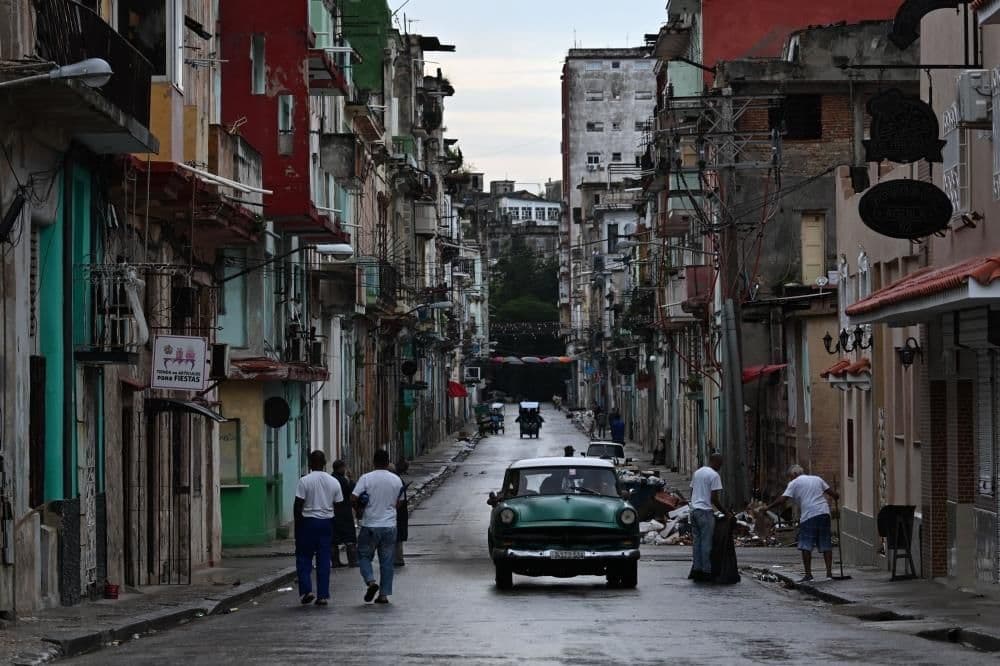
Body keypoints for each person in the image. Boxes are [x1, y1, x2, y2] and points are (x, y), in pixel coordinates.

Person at [767, 464, 840, 582]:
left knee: (806, 545)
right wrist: (836, 496)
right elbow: (833, 494)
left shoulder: (794, 483)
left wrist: (767, 508)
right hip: (824, 512)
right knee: (826, 543)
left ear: (794, 475)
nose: (790, 479)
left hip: (809, 515)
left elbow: (783, 499)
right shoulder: (817, 479)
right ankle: (829, 574)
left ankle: (808, 574)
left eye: (790, 477)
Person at [352, 449, 403, 604]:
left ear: (373, 462)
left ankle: (370, 581)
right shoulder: (396, 480)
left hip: (370, 525)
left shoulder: (366, 478)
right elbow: (400, 502)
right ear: (388, 463)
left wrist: (359, 510)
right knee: (387, 561)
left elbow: (353, 497)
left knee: (363, 556)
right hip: (389, 526)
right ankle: (383, 595)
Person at [294, 450, 343, 606]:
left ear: (309, 463)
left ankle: (307, 591)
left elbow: (298, 505)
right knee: (323, 560)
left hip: (308, 522)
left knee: (304, 558)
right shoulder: (334, 482)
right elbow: (339, 506)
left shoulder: (304, 481)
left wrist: (298, 525)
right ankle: (322, 595)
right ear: (324, 463)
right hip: (326, 523)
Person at [688, 452, 726, 583]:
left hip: (694, 511)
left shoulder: (697, 472)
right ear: (715, 462)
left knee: (697, 542)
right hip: (705, 512)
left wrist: (692, 503)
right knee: (706, 543)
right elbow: (714, 498)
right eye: (720, 464)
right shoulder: (714, 475)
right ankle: (706, 571)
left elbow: (692, 491)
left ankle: (696, 569)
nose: (720, 467)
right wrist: (725, 512)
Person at [330, 460, 357, 568]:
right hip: (344, 512)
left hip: (332, 512)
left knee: (334, 539)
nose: (345, 470)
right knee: (350, 538)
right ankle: (353, 561)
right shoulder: (342, 480)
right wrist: (351, 479)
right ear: (340, 468)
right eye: (344, 468)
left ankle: (335, 562)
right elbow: (352, 491)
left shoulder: (330, 479)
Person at [393, 459, 411, 568]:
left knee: (397, 537)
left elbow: (401, 500)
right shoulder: (397, 480)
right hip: (398, 513)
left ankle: (398, 558)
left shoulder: (397, 479)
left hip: (398, 513)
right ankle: (397, 558)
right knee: (397, 537)